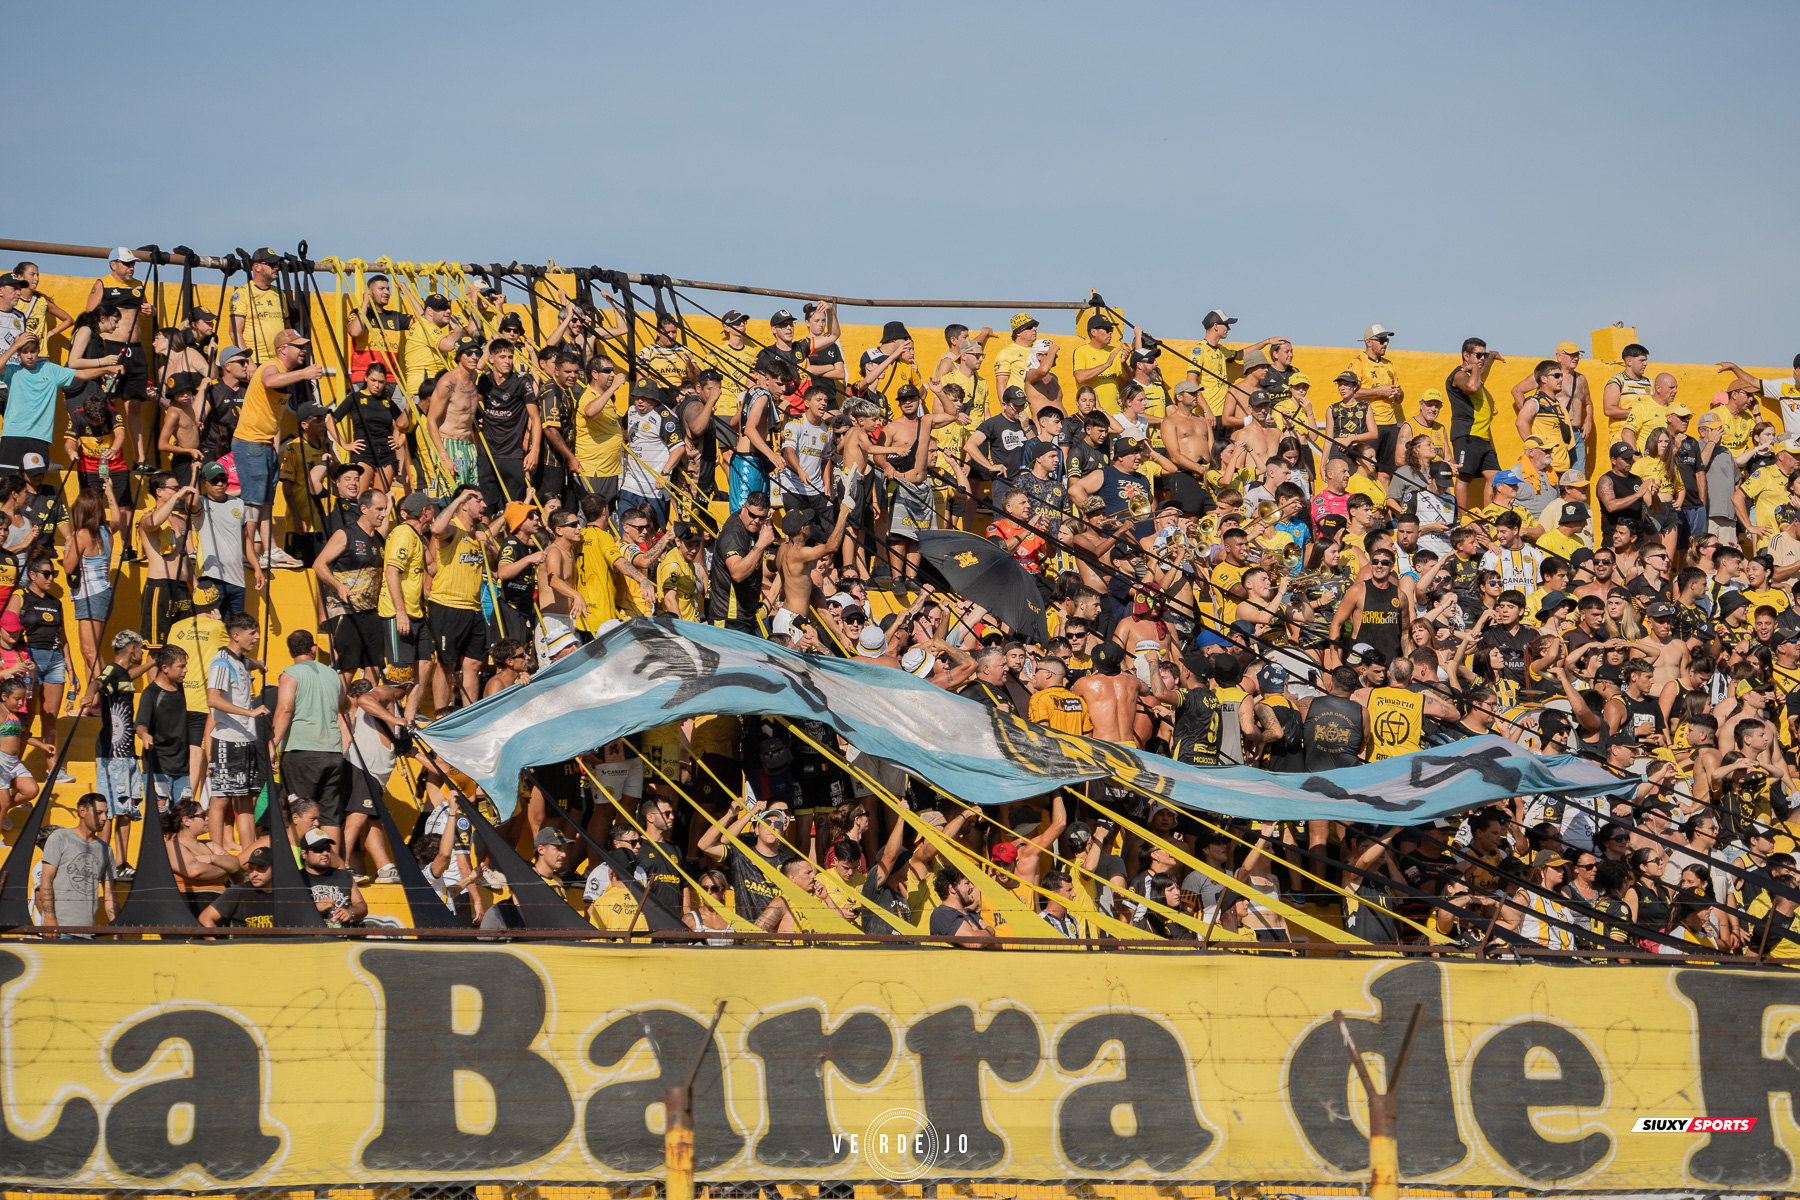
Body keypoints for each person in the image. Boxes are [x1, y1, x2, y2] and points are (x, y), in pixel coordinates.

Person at [206, 611, 268, 853]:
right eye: (252, 633)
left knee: (246, 800)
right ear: (236, 636)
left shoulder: (241, 661)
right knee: (221, 798)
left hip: (247, 740)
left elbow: (248, 663)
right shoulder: (221, 661)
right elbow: (213, 699)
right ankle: (216, 851)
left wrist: (259, 665)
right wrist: (249, 713)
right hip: (228, 740)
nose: (257, 637)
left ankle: (249, 854)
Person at [36, 793, 118, 937]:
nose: (104, 818)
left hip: (88, 933)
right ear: (82, 811)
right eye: (99, 812)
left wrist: (116, 930)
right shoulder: (60, 837)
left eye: (106, 813)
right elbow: (46, 879)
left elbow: (110, 894)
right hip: (59, 930)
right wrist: (49, 918)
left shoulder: (106, 849)